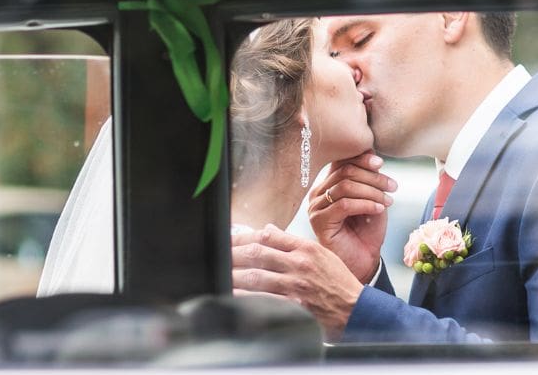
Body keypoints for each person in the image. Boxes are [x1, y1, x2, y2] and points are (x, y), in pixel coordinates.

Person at [232, 11, 538, 342]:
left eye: (360, 39)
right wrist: (368, 280)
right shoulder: (466, 176)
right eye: (332, 53)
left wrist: (355, 309)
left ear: (452, 15)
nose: (347, 70)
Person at [38, 18, 374, 294]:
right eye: (331, 54)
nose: (354, 70)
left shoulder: (243, 263)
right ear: (292, 98)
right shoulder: (253, 281)